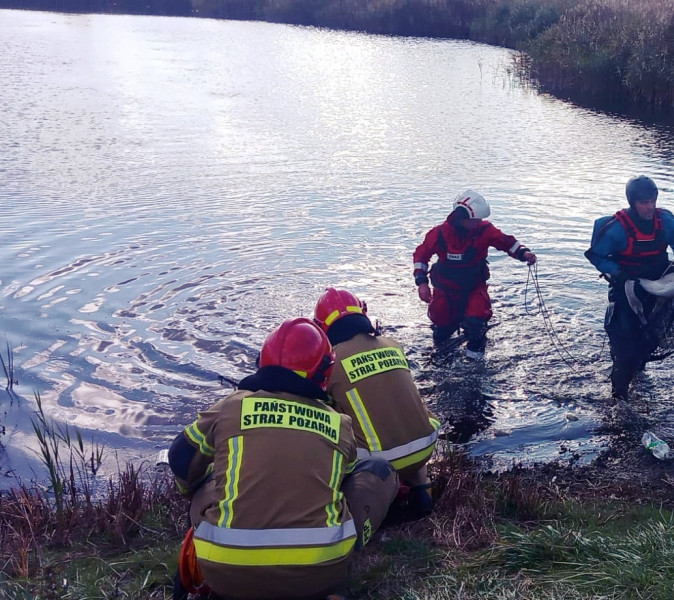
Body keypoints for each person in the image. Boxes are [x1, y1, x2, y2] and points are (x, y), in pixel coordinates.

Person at [168, 318, 398, 600]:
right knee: (379, 470)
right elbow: (345, 479)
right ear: (324, 372)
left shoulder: (230, 407)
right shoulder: (339, 424)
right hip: (320, 574)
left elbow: (180, 457)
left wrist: (191, 492)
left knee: (209, 479)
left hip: (224, 574)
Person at [313, 287, 441, 520]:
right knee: (402, 409)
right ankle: (421, 488)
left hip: (380, 461)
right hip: (425, 445)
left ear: (322, 327)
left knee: (320, 426)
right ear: (363, 314)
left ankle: (374, 497)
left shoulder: (331, 361)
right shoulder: (392, 345)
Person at [585, 175, 674, 400]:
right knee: (623, 339)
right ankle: (619, 397)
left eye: (652, 201)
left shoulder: (666, 221)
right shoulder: (616, 228)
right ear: (632, 203)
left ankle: (638, 372)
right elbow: (596, 255)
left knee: (649, 338)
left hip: (658, 285)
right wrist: (619, 274)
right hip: (627, 286)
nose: (650, 207)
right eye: (644, 202)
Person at [413, 189, 537, 359]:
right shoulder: (439, 233)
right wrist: (422, 283)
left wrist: (524, 253)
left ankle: (475, 365)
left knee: (477, 323)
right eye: (475, 220)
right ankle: (442, 355)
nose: (479, 222)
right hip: (446, 289)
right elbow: (421, 255)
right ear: (462, 219)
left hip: (474, 287)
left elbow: (506, 242)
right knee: (442, 330)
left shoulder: (484, 230)